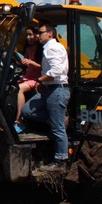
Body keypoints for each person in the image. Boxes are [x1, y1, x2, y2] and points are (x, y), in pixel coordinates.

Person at [21, 23, 70, 172]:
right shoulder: (48, 48)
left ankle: (61, 160)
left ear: (50, 34)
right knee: (27, 110)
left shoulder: (52, 48)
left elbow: (56, 71)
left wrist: (40, 80)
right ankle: (54, 118)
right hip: (49, 89)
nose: (38, 35)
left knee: (58, 129)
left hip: (57, 90)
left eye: (41, 33)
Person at [16, 26, 43, 130]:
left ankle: (19, 119)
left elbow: (43, 67)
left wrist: (31, 62)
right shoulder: (28, 48)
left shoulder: (42, 50)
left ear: (37, 35)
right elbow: (25, 63)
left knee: (20, 88)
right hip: (28, 77)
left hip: (37, 79)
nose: (28, 37)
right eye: (27, 35)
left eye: (30, 34)